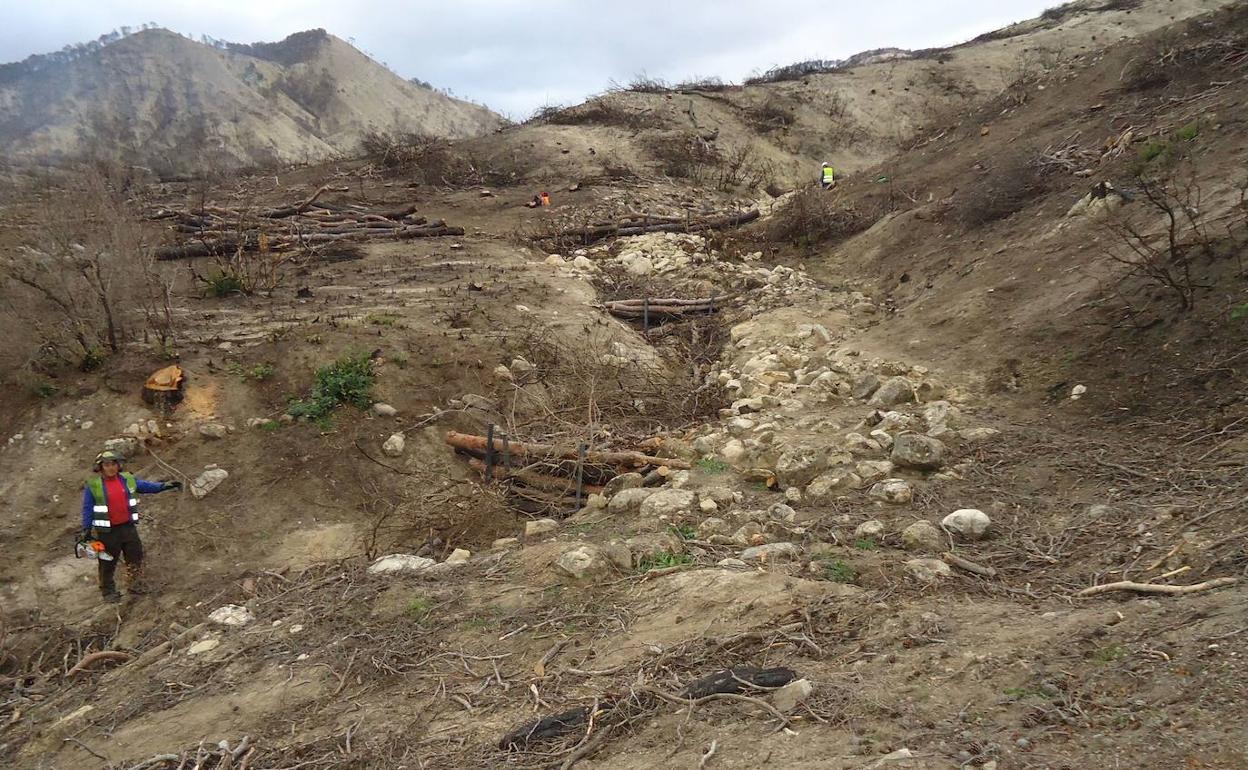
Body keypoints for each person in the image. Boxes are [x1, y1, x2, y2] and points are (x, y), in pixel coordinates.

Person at [80, 449, 181, 602]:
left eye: (113, 464)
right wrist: (86, 528)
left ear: (118, 465)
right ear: (101, 467)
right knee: (107, 562)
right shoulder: (93, 485)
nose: (111, 468)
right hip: (107, 532)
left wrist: (164, 486)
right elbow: (88, 508)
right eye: (107, 465)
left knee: (135, 556)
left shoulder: (127, 479)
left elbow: (146, 486)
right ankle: (108, 592)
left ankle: (135, 585)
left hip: (127, 527)